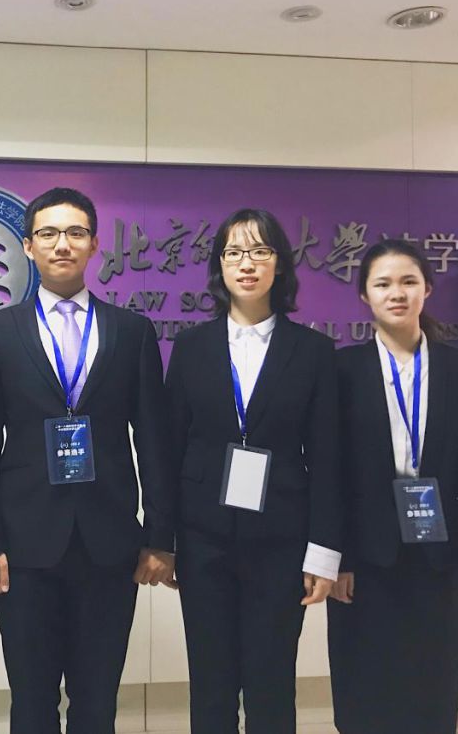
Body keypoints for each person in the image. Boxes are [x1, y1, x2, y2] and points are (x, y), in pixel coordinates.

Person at [0, 187, 176, 734]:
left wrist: (160, 536)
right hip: (23, 546)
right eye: (49, 233)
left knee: (97, 700)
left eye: (76, 233)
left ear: (94, 245)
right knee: (31, 700)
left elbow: (153, 439)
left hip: (109, 544)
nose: (63, 244)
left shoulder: (131, 331)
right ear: (28, 246)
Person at [165, 208, 341, 734]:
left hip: (282, 541)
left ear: (279, 265)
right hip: (203, 540)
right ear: (219, 265)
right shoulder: (191, 347)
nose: (247, 264)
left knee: (271, 682)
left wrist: (323, 551)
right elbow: (170, 449)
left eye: (260, 251)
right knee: (211, 681)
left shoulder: (313, 351)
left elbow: (328, 457)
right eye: (235, 252)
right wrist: (164, 540)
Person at [327, 239, 458, 734]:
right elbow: (330, 473)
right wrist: (338, 559)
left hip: (439, 553)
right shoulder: (342, 370)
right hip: (365, 557)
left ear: (427, 289)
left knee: (432, 688)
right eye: (383, 284)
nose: (397, 293)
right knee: (364, 688)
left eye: (408, 282)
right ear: (365, 295)